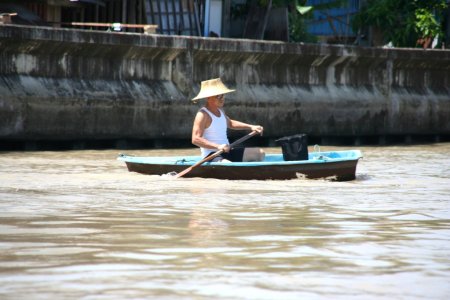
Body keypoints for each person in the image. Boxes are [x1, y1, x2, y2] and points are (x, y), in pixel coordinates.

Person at [191, 78, 265, 162]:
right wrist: (218, 146)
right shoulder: (202, 115)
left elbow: (230, 123)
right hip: (211, 155)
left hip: (227, 150)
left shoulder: (220, 111)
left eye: (223, 95)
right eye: (218, 96)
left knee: (260, 153)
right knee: (227, 163)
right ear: (208, 98)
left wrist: (251, 127)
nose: (222, 98)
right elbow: (195, 139)